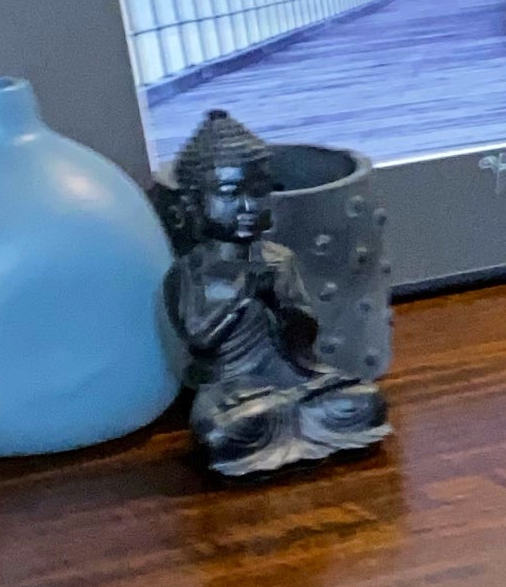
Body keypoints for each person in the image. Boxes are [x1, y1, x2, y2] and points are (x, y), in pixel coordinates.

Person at [159, 110, 390, 480]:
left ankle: (293, 425)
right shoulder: (191, 271)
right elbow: (200, 337)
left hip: (291, 378)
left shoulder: (279, 259)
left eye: (260, 192)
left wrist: (281, 304)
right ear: (192, 205)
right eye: (232, 195)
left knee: (361, 402)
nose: (250, 207)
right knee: (227, 430)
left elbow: (303, 336)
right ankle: (280, 429)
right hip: (234, 389)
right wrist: (246, 290)